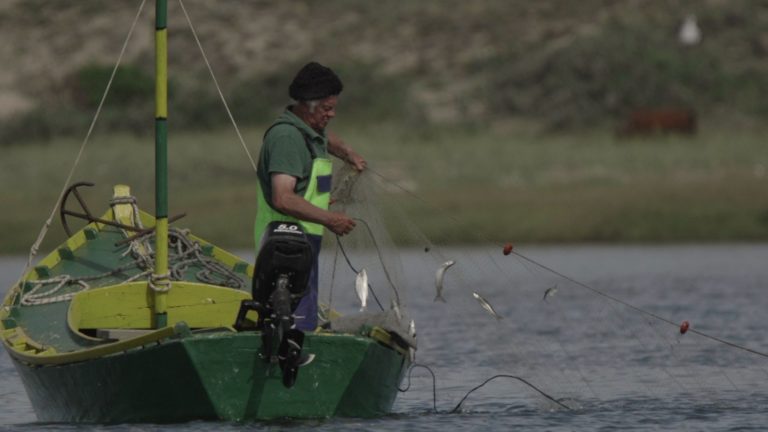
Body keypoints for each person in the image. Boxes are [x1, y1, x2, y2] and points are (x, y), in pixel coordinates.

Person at [254, 61, 366, 331]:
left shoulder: (310, 132)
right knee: (292, 324)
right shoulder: (287, 139)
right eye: (326, 108)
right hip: (282, 247)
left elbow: (327, 138)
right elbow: (283, 198)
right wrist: (331, 219)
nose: (332, 114)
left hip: (303, 245)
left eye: (334, 107)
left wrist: (348, 153)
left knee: (305, 321)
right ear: (307, 105)